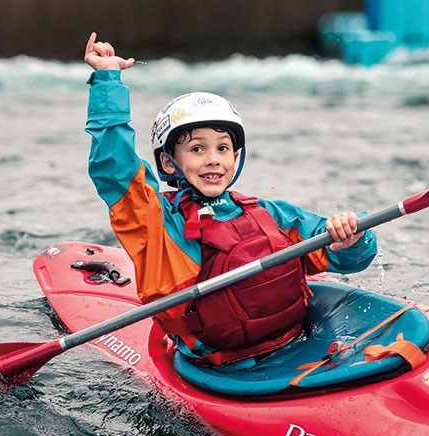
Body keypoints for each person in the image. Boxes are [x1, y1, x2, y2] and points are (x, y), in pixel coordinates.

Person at [83, 33, 377, 369]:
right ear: (168, 162)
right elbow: (114, 166)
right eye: (197, 149)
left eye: (223, 148)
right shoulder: (154, 221)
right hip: (219, 364)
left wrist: (353, 237)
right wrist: (107, 79)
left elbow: (351, 259)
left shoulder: (267, 213)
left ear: (236, 157)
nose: (213, 159)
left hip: (295, 342)